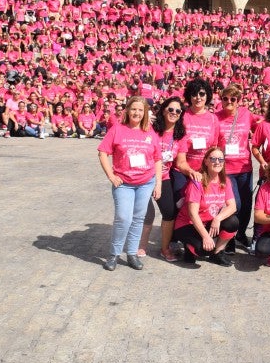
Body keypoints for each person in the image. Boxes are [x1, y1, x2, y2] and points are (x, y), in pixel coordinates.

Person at [98, 96, 161, 271]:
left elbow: (157, 159)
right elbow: (103, 152)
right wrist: (111, 175)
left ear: (145, 113)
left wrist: (158, 184)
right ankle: (114, 254)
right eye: (134, 109)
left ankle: (132, 253)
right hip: (124, 183)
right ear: (127, 110)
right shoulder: (117, 129)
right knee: (123, 218)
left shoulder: (149, 132)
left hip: (145, 182)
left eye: (140, 110)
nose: (137, 113)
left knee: (138, 219)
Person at [139, 97, 191, 261]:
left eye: (178, 111)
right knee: (146, 214)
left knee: (169, 213)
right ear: (163, 110)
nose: (174, 113)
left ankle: (164, 248)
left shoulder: (180, 135)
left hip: (164, 177)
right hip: (145, 177)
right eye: (170, 109)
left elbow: (181, 162)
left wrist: (191, 171)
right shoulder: (151, 129)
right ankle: (141, 245)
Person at [172, 146, 239, 266]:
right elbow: (192, 214)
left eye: (220, 159)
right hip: (188, 224)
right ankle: (189, 247)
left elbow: (232, 206)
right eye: (213, 159)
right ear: (206, 161)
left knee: (233, 222)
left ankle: (217, 253)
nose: (217, 162)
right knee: (203, 250)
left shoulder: (225, 181)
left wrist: (218, 219)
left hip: (209, 222)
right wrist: (206, 237)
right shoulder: (197, 182)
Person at [216, 84, 256, 253]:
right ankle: (229, 236)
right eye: (225, 99)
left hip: (245, 167)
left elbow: (262, 126)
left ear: (239, 101)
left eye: (233, 99)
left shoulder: (247, 114)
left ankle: (240, 234)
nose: (229, 102)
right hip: (225, 168)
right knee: (235, 204)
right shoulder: (215, 117)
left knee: (247, 205)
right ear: (221, 100)